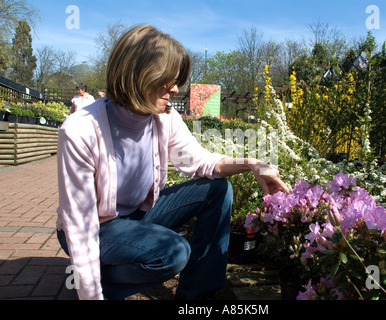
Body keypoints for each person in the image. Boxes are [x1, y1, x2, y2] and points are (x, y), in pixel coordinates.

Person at [56, 24, 290, 300]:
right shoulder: (80, 130)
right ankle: (105, 283)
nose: (177, 89)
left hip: (138, 216)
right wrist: (91, 294)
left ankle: (197, 295)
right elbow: (80, 225)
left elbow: (202, 162)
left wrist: (254, 164)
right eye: (168, 80)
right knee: (174, 251)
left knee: (218, 189)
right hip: (96, 227)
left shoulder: (165, 118)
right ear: (138, 74)